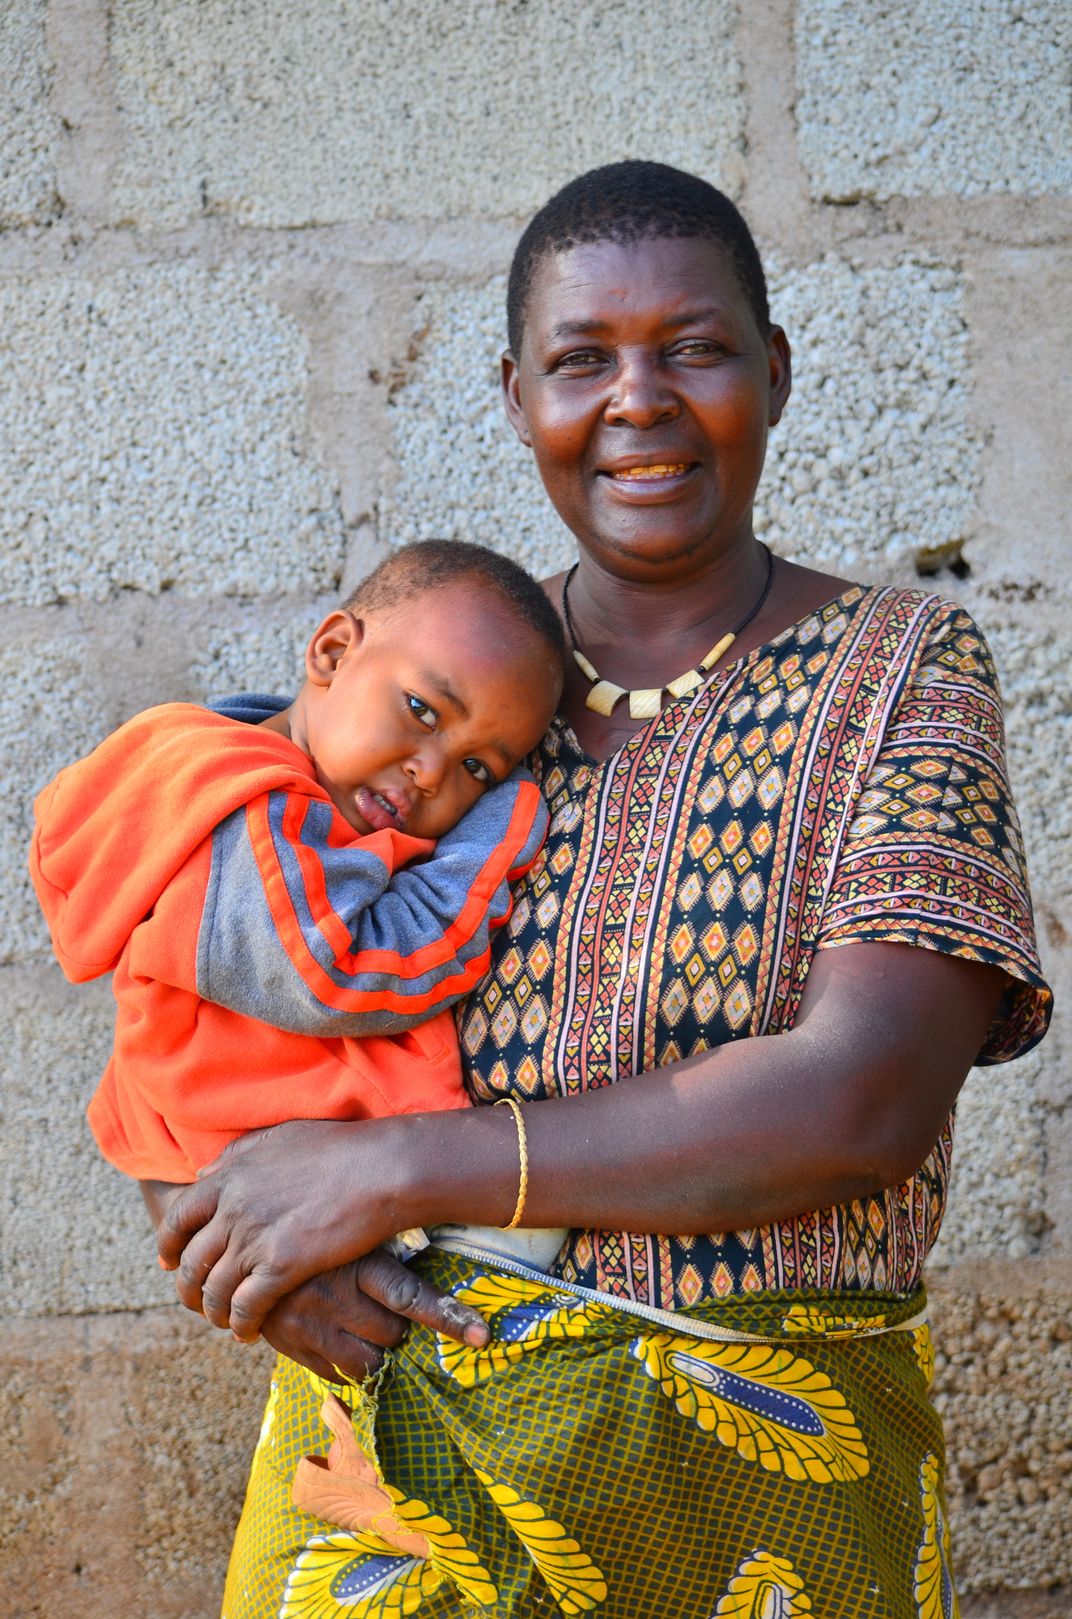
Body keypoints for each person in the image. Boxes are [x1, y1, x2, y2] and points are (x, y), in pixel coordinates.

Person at [155, 163, 1050, 1618]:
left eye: (693, 347)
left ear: (774, 369)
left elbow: (862, 1099)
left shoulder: (901, 670)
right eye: (582, 360)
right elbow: (182, 965)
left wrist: (390, 1168)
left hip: (770, 1474)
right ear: (518, 397)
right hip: (394, 1463)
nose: (637, 399)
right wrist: (233, 1234)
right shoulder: (438, 692)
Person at [30, 540, 564, 1197]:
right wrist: (499, 826)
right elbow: (338, 970)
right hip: (278, 1186)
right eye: (423, 710)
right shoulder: (239, 810)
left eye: (478, 768)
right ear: (333, 652)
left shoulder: (295, 804)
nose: (431, 773)